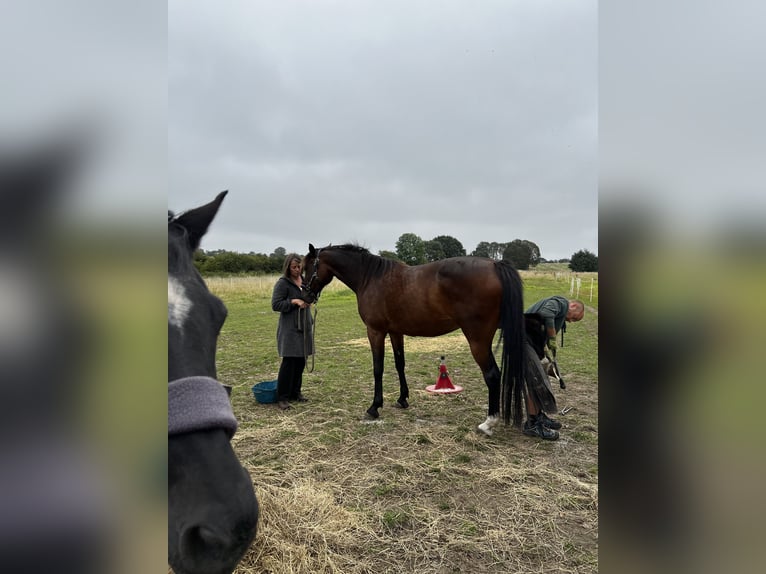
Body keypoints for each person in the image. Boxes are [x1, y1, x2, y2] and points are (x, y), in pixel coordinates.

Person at [522, 296, 585, 440]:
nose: (570, 321)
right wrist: (551, 337)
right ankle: (532, 425)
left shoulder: (561, 309)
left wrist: (543, 348)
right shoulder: (560, 302)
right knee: (536, 381)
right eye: (574, 318)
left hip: (530, 342)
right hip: (523, 341)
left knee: (541, 380)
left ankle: (538, 416)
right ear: (573, 305)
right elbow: (546, 313)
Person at [271, 254, 314, 410]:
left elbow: (310, 296)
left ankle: (296, 392)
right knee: (289, 362)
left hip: (304, 325)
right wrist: (294, 301)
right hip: (290, 328)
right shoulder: (282, 284)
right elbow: (275, 304)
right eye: (294, 267)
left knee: (301, 361)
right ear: (288, 267)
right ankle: (282, 397)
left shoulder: (305, 281)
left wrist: (310, 300)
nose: (297, 270)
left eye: (299, 267)